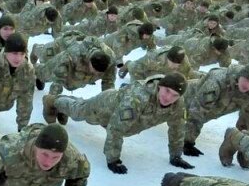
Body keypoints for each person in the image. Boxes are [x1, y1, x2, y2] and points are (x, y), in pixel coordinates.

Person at [47, 73, 194, 174]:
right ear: (160, 86)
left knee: (80, 107)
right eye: (167, 91)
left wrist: (176, 156)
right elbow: (116, 128)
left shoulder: (178, 105)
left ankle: (61, 102)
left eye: (175, 95)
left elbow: (178, 128)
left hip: (123, 118)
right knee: (78, 111)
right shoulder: (138, 98)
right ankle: (53, 101)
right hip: (104, 107)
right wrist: (113, 159)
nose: (168, 98)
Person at [181, 62, 249, 161]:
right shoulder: (217, 80)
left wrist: (248, 146)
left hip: (208, 111)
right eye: (247, 80)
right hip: (182, 99)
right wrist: (187, 141)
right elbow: (198, 110)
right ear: (241, 74)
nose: (248, 85)